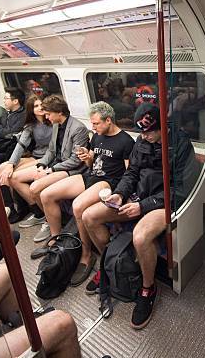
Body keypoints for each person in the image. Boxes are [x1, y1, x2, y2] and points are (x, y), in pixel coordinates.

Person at [82, 102, 198, 329]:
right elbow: (132, 172)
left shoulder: (181, 145)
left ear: (162, 127)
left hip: (163, 202)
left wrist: (142, 206)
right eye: (141, 132)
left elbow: (181, 191)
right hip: (138, 196)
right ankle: (109, 266)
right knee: (89, 216)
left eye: (149, 132)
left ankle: (147, 288)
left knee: (141, 236)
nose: (144, 137)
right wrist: (119, 194)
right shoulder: (141, 141)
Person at [31, 101, 134, 287]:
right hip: (90, 176)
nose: (92, 127)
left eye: (95, 123)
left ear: (108, 120)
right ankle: (57, 242)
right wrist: (88, 158)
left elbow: (129, 173)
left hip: (109, 182)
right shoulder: (97, 136)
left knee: (77, 206)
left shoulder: (126, 141)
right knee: (46, 195)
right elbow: (92, 164)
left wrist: (121, 194)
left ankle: (86, 255)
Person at [24, 95, 89, 242]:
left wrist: (51, 170)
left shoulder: (78, 129)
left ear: (59, 112)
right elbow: (51, 151)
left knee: (36, 188)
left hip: (72, 169)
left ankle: (55, 233)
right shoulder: (55, 125)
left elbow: (75, 160)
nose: (46, 117)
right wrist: (42, 165)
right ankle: (51, 220)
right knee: (34, 187)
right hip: (56, 164)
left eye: (48, 114)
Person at [0, 96, 52, 224]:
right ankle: (10, 208)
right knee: (3, 167)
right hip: (36, 155)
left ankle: (39, 212)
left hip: (47, 158)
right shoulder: (31, 125)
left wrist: (12, 167)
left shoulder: (52, 121)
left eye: (41, 105)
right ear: (31, 110)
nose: (40, 108)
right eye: (36, 106)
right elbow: (21, 145)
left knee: (12, 177)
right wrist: (11, 164)